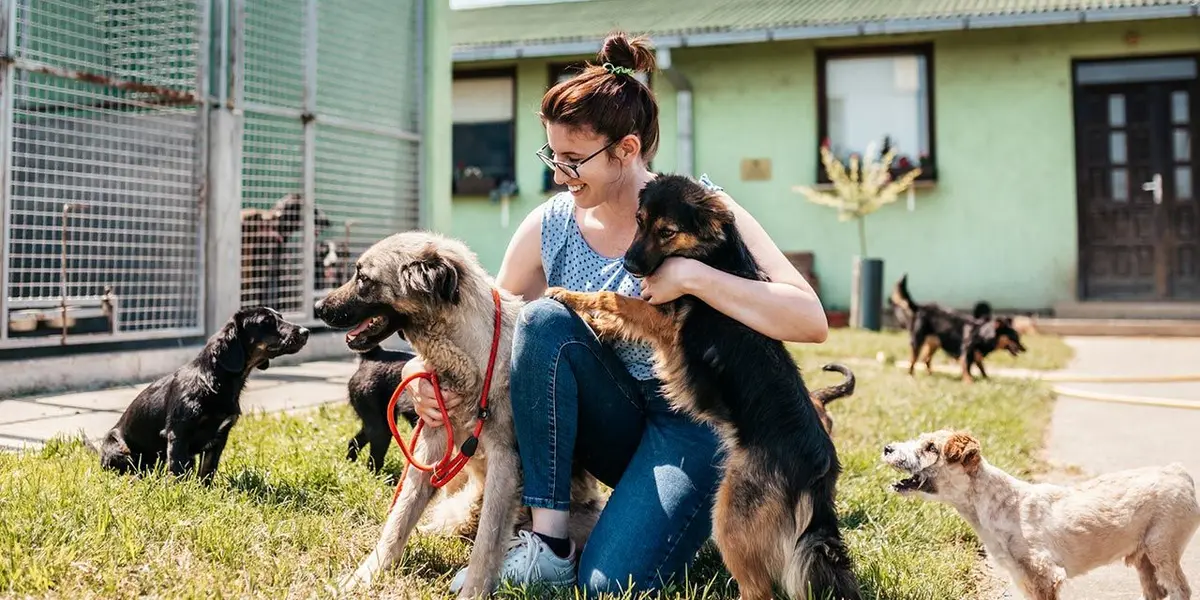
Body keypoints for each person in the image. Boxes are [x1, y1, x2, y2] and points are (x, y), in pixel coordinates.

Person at [401, 31, 829, 597]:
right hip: (607, 420)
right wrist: (417, 378)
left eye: (574, 159)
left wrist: (694, 276)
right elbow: (490, 332)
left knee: (610, 585)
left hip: (694, 427)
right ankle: (550, 543)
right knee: (542, 321)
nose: (559, 171)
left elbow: (809, 318)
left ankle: (668, 517)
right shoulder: (550, 223)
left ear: (627, 150)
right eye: (551, 155)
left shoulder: (701, 208)